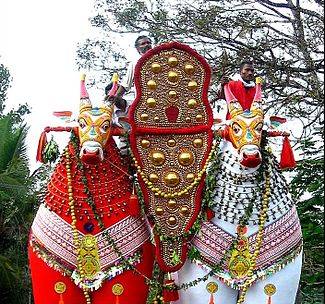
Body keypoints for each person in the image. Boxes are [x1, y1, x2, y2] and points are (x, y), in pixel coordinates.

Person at [108, 35, 153, 154]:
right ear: (138, 48)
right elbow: (125, 85)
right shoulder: (135, 63)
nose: (147, 45)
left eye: (149, 42)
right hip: (144, 109)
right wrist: (115, 97)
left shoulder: (162, 61)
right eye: (143, 44)